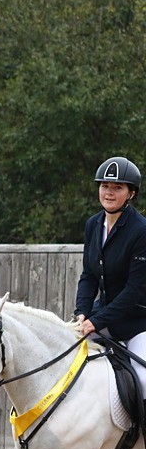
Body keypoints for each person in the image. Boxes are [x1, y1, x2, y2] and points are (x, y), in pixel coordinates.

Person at [75, 156, 146, 390]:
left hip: (137, 322)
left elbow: (133, 290)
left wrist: (96, 321)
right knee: (66, 355)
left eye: (117, 187)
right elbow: (89, 276)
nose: (109, 192)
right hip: (101, 315)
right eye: (105, 186)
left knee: (143, 380)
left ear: (131, 193)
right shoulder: (92, 225)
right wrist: (82, 314)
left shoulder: (141, 231)